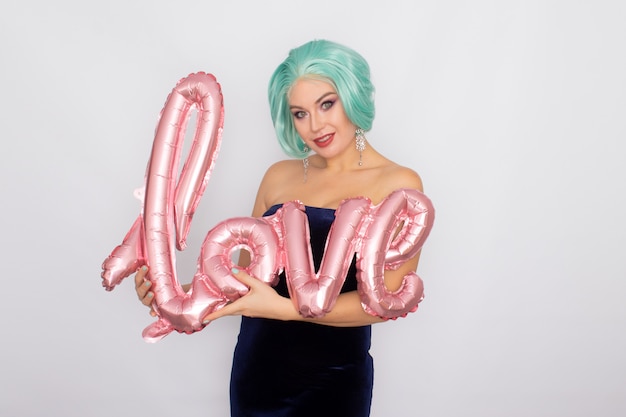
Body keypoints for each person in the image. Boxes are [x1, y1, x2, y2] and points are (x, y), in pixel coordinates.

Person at [135, 39, 424, 417]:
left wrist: (286, 309)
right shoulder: (279, 177)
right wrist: (175, 294)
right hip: (257, 372)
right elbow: (241, 281)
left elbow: (382, 304)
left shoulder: (398, 184)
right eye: (300, 113)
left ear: (351, 96)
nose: (315, 125)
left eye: (326, 104)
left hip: (333, 379)